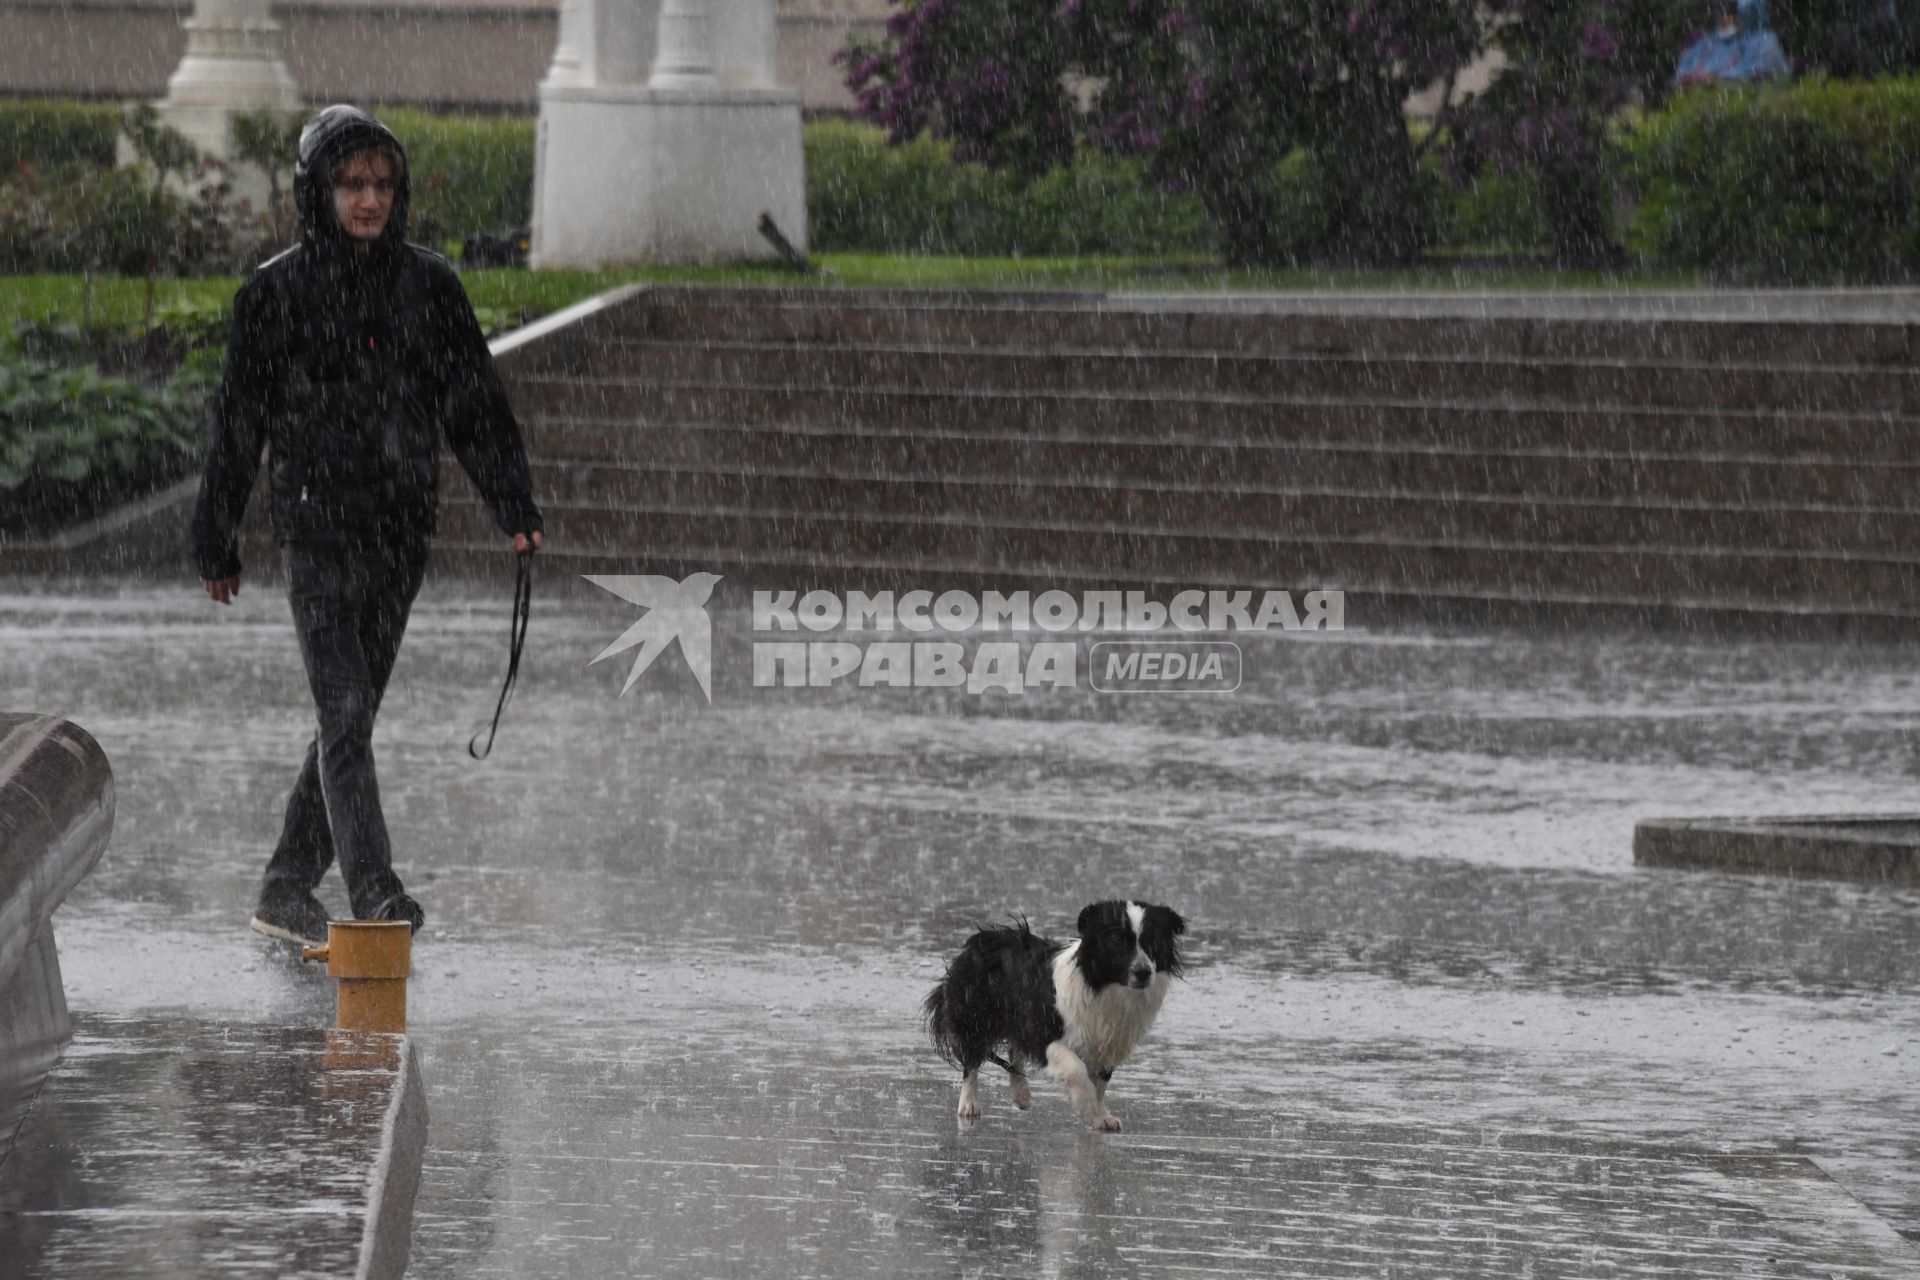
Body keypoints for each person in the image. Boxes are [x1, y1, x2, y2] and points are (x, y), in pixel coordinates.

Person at [191, 105, 546, 945]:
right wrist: (216, 536)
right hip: (314, 533)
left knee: (348, 718)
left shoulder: (430, 287)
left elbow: (475, 406)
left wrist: (513, 504)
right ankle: (377, 895)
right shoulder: (273, 294)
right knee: (345, 713)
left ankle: (284, 883)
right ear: (318, 190)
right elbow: (238, 422)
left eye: (383, 184)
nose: (369, 199)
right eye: (351, 183)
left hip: (399, 532)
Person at [1675, 0, 1790, 87]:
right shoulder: (1719, 41)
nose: (1723, 19)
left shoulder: (1764, 41)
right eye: (1721, 14)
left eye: (1729, 14)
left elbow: (1754, 73)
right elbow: (1688, 65)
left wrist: (1713, 78)